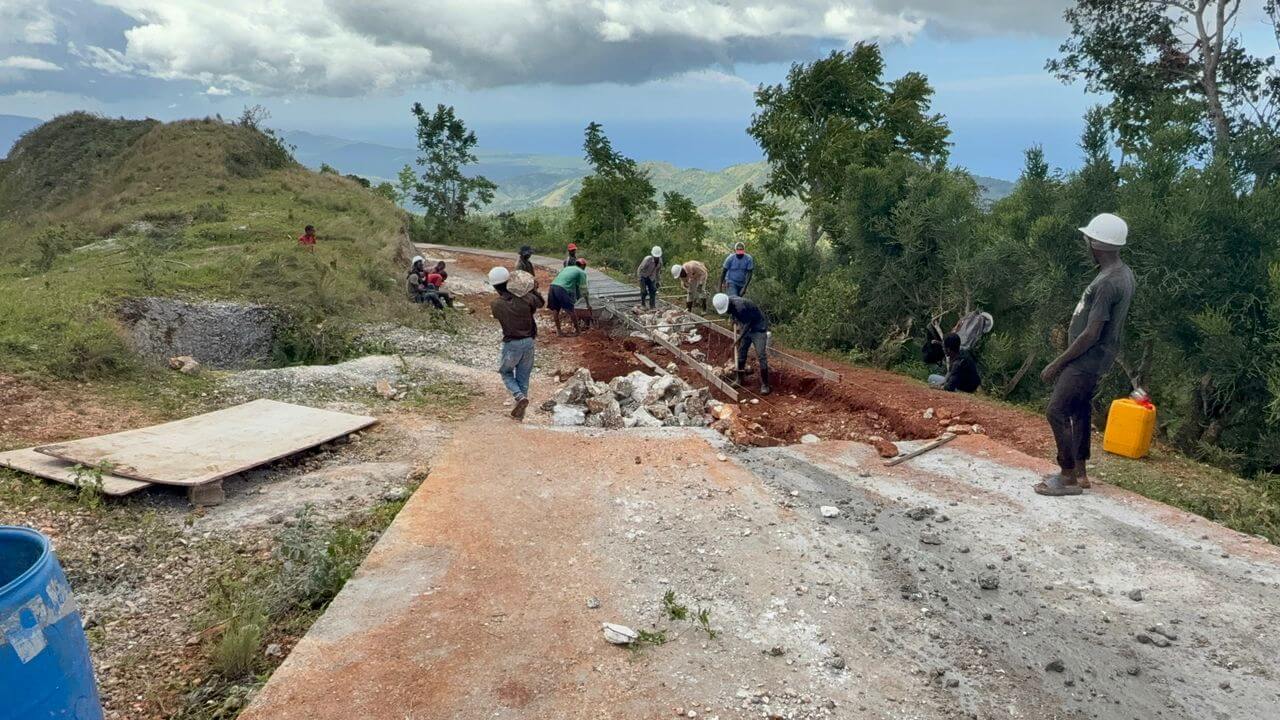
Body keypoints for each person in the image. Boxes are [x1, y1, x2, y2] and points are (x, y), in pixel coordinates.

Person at [1035, 213, 1136, 497]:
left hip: (1086, 359)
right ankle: (1080, 473)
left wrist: (1058, 363)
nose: (1085, 244)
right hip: (1099, 358)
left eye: (1087, 239)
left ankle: (1066, 476)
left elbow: (1091, 333)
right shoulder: (1123, 273)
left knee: (1055, 410)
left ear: (1096, 244)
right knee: (1079, 410)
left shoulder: (1106, 283)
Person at [489, 267, 544, 421]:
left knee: (506, 372)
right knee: (523, 377)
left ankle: (519, 397)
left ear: (494, 286)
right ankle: (520, 412)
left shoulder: (496, 305)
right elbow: (539, 303)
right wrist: (533, 290)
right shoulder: (526, 299)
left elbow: (497, 316)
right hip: (529, 342)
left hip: (512, 344)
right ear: (509, 281)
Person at [713, 292, 771, 395]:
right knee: (741, 353)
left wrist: (738, 339)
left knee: (761, 355)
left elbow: (748, 324)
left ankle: (765, 385)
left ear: (728, 304)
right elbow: (737, 316)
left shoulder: (741, 306)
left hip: (758, 328)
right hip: (746, 327)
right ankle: (739, 379)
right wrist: (734, 319)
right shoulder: (730, 302)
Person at [549, 258, 591, 335]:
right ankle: (578, 331)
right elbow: (584, 289)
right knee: (571, 310)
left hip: (552, 286)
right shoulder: (581, 272)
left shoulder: (568, 268)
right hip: (562, 289)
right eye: (585, 266)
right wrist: (588, 304)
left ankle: (559, 331)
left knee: (555, 309)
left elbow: (566, 280)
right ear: (583, 265)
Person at [636, 245, 663, 309]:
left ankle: (652, 305)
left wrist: (658, 281)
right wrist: (640, 278)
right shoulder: (647, 260)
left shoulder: (660, 262)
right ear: (653, 255)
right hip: (643, 276)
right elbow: (640, 269)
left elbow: (657, 272)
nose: (656, 257)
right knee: (644, 291)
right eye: (655, 256)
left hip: (651, 277)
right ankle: (643, 304)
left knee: (653, 290)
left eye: (657, 256)